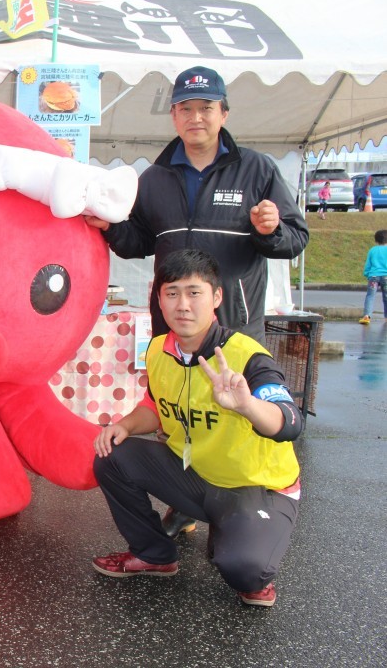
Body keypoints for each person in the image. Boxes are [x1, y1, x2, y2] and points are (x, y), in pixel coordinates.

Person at [83, 65, 309, 537]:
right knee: (178, 412)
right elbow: (137, 240)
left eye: (206, 108)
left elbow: (294, 239)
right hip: (177, 324)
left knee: (237, 412)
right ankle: (185, 500)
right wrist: (110, 226)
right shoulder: (157, 177)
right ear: (173, 116)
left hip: (236, 322)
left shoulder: (257, 170)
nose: (196, 117)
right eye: (186, 108)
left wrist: (270, 230)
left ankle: (249, 506)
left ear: (223, 113)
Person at [90, 249, 303, 607]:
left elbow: (289, 422)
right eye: (171, 293)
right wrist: (124, 425)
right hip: (196, 474)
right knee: (113, 453)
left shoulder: (246, 356)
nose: (182, 305)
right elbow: (156, 406)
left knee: (245, 572)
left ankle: (235, 532)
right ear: (158, 299)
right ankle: (155, 554)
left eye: (194, 292)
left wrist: (248, 405)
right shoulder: (160, 348)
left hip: (256, 486)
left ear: (216, 297)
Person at [359, 229, 387, 325]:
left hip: (373, 276)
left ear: (376, 240)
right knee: (386, 297)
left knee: (370, 296)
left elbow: (368, 264)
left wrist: (367, 273)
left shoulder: (372, 250)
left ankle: (367, 316)